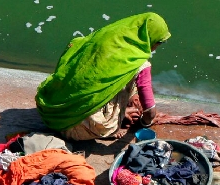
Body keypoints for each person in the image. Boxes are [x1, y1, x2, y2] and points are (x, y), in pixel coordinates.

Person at [35, 12, 170, 140]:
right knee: (134, 80)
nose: (157, 47)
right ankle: (106, 122)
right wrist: (144, 122)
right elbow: (150, 112)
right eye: (159, 42)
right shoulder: (140, 64)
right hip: (75, 128)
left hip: (51, 113)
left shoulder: (103, 37)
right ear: (150, 38)